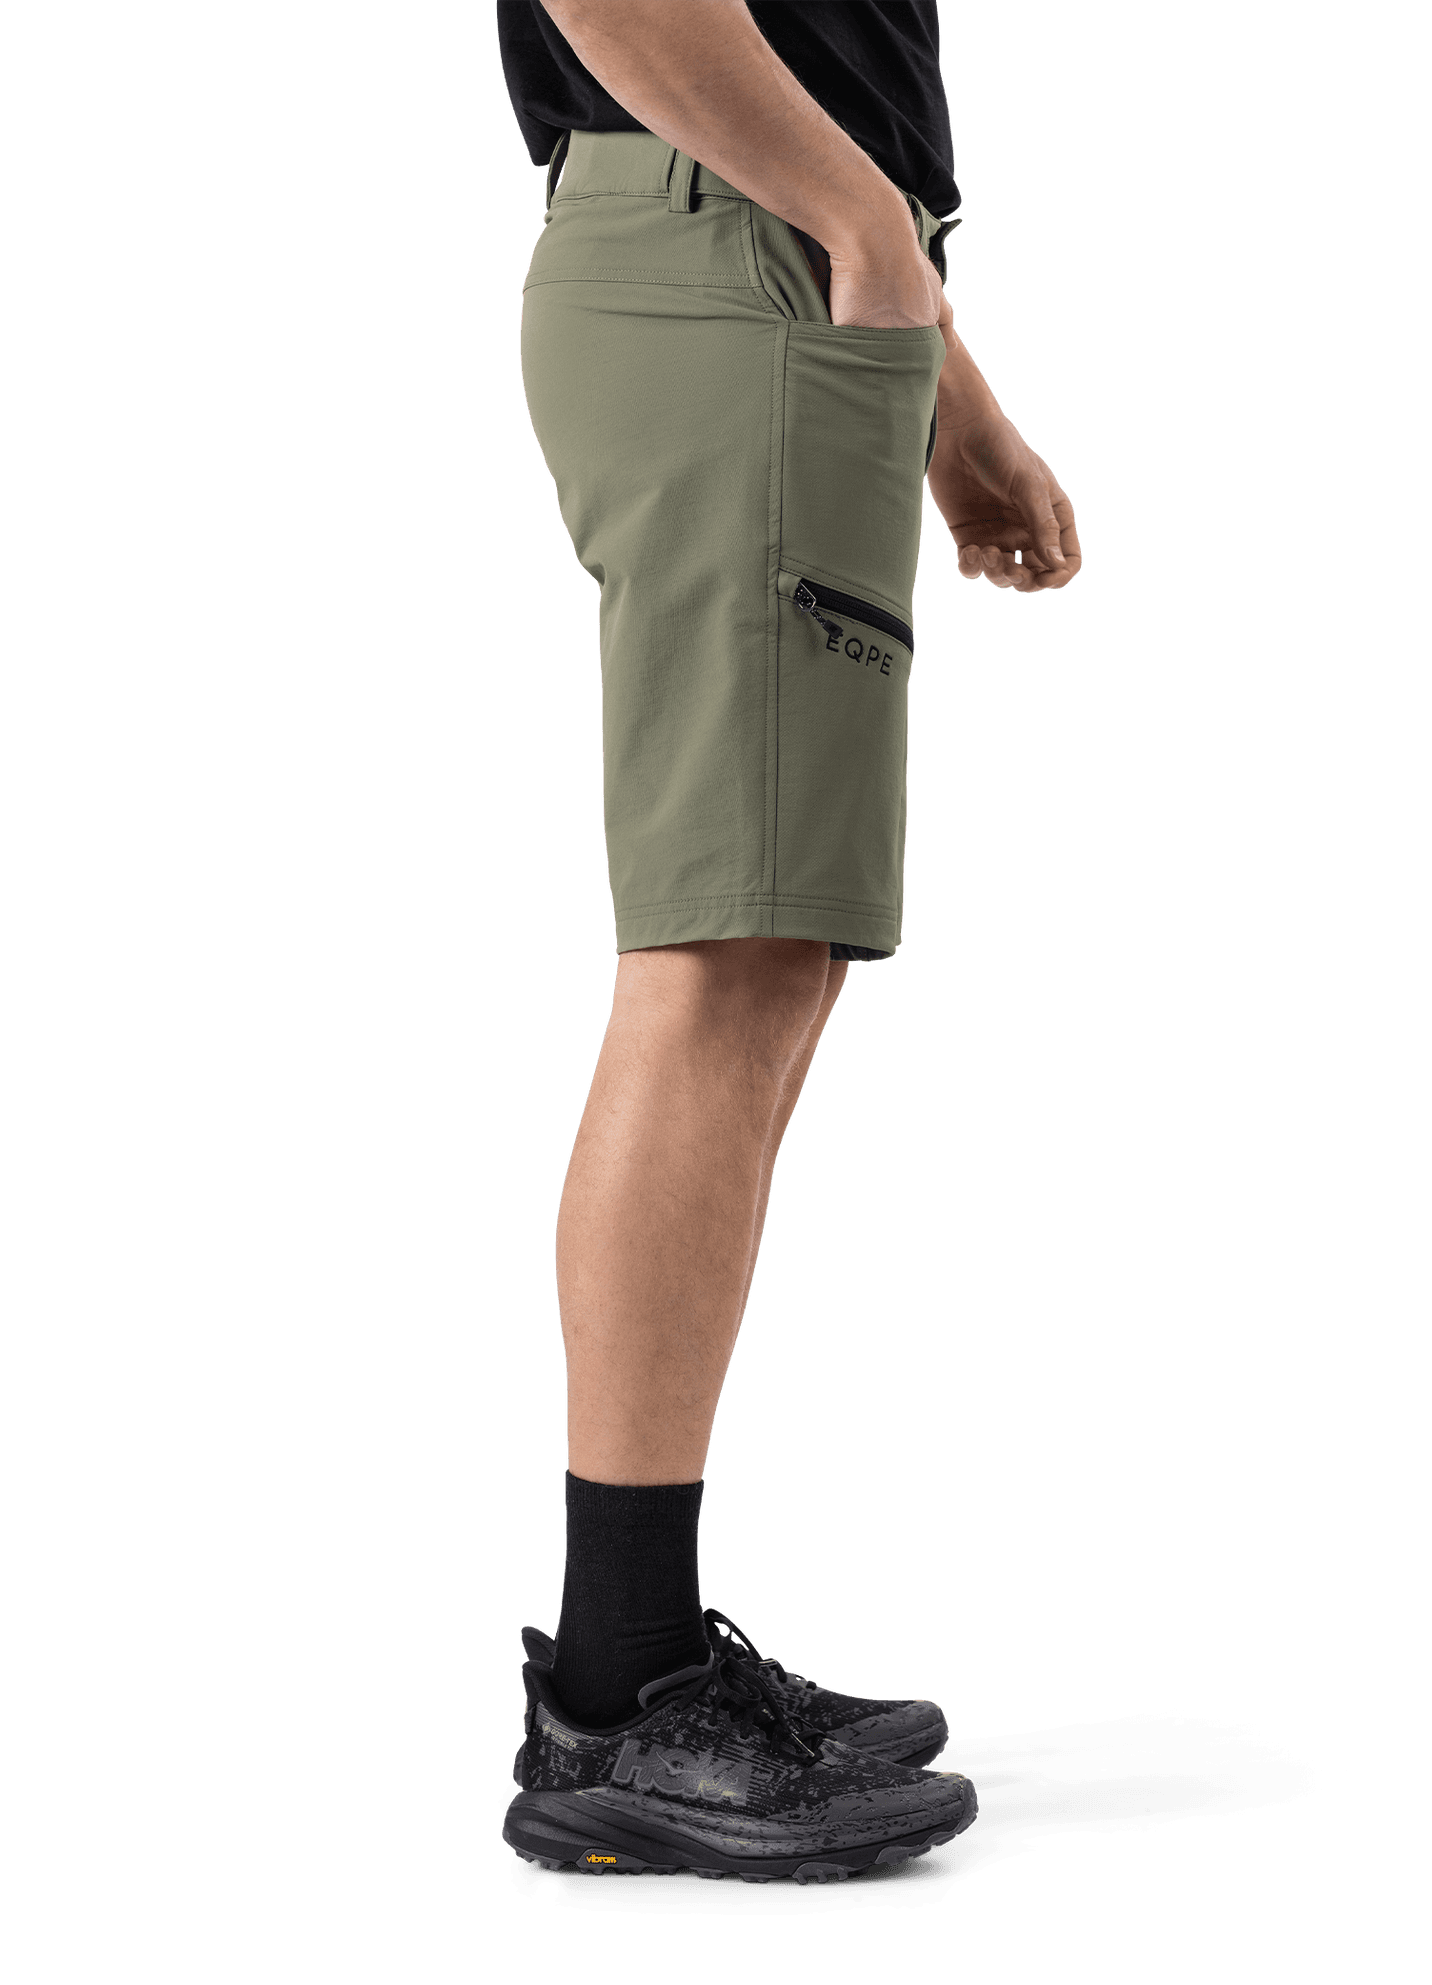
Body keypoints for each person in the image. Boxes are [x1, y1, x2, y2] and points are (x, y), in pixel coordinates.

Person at [495, 0, 1081, 1884]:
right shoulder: (801, 217)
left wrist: (950, 403)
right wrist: (866, 230)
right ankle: (624, 1699)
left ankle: (645, 1658)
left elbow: (828, 74)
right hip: (735, 254)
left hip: (764, 263)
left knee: (768, 961)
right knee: (722, 962)